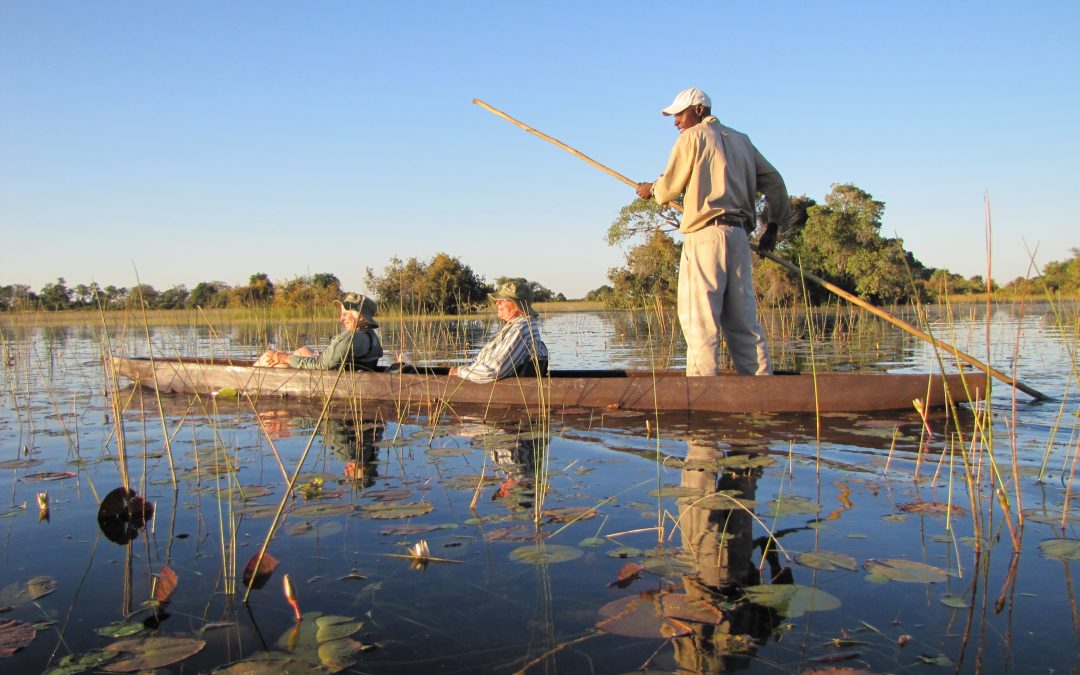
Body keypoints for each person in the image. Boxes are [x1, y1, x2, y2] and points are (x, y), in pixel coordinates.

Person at [636, 87, 792, 376]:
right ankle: (762, 387)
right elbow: (776, 182)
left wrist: (651, 189)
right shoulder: (742, 141)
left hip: (705, 237)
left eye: (679, 114)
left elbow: (666, 190)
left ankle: (702, 391)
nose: (676, 121)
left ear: (699, 110)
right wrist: (772, 227)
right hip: (738, 239)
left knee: (700, 323)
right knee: (743, 323)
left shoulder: (692, 138)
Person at [449, 281, 548, 383]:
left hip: (496, 389)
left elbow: (493, 371)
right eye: (497, 300)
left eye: (502, 300)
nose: (497, 303)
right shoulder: (517, 326)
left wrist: (459, 372)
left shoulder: (519, 329)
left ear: (517, 305)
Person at [255, 294, 383, 370]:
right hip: (343, 369)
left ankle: (249, 380)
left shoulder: (348, 339)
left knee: (269, 356)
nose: (341, 319)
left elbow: (322, 366)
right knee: (303, 350)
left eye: (345, 314)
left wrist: (287, 358)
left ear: (361, 317)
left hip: (328, 376)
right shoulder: (371, 336)